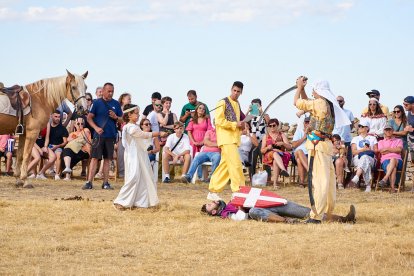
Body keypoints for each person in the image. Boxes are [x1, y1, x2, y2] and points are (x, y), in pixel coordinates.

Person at [294, 77, 351, 223]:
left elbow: (297, 103)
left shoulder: (319, 103)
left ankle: (317, 215)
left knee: (320, 181)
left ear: (318, 90)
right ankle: (327, 212)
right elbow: (308, 104)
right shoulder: (326, 103)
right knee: (328, 179)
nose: (312, 92)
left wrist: (299, 87)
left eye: (313, 89)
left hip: (318, 146)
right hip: (324, 145)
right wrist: (304, 90)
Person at [113, 104, 166, 210]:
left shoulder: (134, 126)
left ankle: (140, 202)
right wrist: (158, 133)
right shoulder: (130, 127)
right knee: (134, 177)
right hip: (133, 156)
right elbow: (143, 135)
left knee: (142, 178)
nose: (138, 115)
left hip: (140, 155)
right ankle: (120, 201)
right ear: (129, 115)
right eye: (136, 113)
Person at [207, 81, 245, 201]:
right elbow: (218, 121)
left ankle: (213, 190)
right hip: (226, 138)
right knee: (236, 165)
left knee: (226, 166)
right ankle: (239, 191)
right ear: (231, 89)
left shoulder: (237, 104)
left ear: (241, 92)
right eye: (234, 90)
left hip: (234, 139)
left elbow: (240, 120)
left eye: (238, 91)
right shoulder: (222, 102)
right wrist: (235, 124)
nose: (236, 93)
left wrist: (241, 124)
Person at [83, 82, 123, 190]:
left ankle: (105, 183)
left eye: (112, 91)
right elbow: (89, 118)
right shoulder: (96, 103)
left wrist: (115, 116)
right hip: (99, 135)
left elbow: (122, 119)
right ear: (103, 91)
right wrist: (96, 128)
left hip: (110, 135)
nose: (111, 93)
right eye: (109, 91)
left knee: (107, 159)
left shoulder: (116, 104)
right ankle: (89, 182)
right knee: (95, 158)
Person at [201, 199, 356, 224]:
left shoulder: (231, 201)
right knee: (254, 210)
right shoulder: (224, 214)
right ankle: (288, 221)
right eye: (209, 205)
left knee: (307, 211)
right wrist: (242, 207)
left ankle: (344, 219)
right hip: (259, 212)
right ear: (213, 212)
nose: (212, 202)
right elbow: (240, 218)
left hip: (270, 205)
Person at [260, 118, 291, 189]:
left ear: (277, 126)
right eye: (270, 126)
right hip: (269, 155)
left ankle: (275, 184)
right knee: (274, 153)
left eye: (274, 125)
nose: (272, 127)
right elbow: (262, 150)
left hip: (281, 154)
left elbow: (289, 147)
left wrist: (282, 143)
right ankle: (283, 170)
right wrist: (268, 148)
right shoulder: (266, 136)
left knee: (275, 161)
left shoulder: (282, 135)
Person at [37, 111, 69, 180]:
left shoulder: (62, 128)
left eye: (59, 117)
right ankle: (40, 173)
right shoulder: (47, 126)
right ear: (51, 116)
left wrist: (57, 146)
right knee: (41, 153)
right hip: (47, 147)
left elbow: (65, 142)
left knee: (58, 154)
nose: (57, 118)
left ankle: (57, 174)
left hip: (58, 147)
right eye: (56, 117)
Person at [350, 119, 378, 192]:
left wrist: (369, 150)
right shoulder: (355, 138)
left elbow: (376, 151)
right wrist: (363, 150)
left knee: (365, 157)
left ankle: (357, 175)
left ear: (367, 128)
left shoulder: (373, 138)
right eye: (359, 126)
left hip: (370, 158)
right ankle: (368, 186)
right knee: (365, 159)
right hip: (358, 158)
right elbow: (353, 152)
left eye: (361, 126)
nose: (359, 128)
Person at [246, 98, 270, 179]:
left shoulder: (264, 115)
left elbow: (269, 122)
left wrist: (261, 111)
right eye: (253, 105)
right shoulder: (250, 116)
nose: (255, 107)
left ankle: (267, 177)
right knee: (252, 158)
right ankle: (252, 177)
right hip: (253, 140)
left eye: (257, 105)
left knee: (264, 158)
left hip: (263, 140)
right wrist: (248, 111)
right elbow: (242, 122)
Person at [377, 124, 403, 193]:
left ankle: (385, 178)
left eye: (389, 129)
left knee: (393, 159)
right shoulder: (381, 142)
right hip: (385, 160)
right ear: (384, 131)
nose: (388, 131)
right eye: (386, 130)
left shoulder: (398, 140)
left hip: (398, 161)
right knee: (393, 168)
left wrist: (387, 149)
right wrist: (393, 149)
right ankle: (392, 188)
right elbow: (382, 151)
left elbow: (399, 150)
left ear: (392, 131)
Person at [333, 95, 354, 165]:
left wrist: (346, 132)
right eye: (337, 101)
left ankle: (348, 175)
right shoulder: (332, 112)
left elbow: (352, 124)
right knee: (335, 158)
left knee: (348, 158)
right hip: (335, 140)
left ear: (344, 102)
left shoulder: (349, 112)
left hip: (347, 140)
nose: (339, 102)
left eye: (340, 101)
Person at [291, 116, 310, 187]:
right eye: (306, 122)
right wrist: (304, 137)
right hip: (296, 154)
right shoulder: (299, 132)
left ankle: (301, 182)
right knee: (299, 151)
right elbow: (293, 145)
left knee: (299, 160)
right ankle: (310, 171)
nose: (308, 124)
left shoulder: (314, 133)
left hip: (309, 155)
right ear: (304, 123)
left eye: (309, 122)